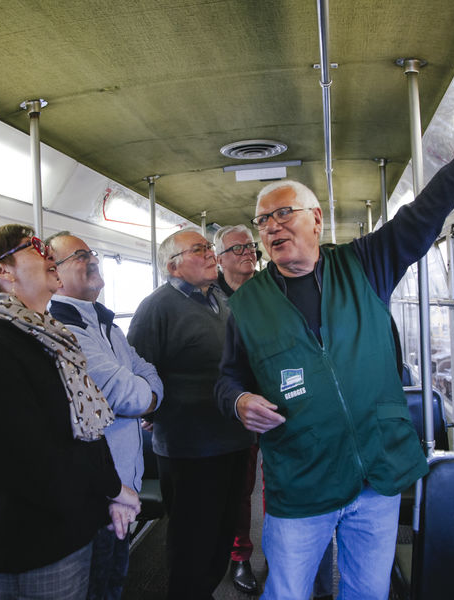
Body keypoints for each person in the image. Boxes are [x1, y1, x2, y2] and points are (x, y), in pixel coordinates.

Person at [215, 83, 454, 599]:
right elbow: (227, 380)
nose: (271, 227)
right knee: (289, 593)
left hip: (376, 480)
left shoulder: (363, 264)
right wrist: (239, 400)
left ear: (316, 220)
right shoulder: (246, 305)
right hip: (303, 482)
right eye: (262, 221)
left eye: (283, 214)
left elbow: (423, 215)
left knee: (367, 592)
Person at [0, 224, 140, 600]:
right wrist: (111, 488)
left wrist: (110, 496)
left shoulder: (51, 337)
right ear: (1, 271)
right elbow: (29, 462)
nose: (49, 256)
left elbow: (87, 431)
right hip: (38, 544)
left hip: (79, 524)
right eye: (36, 247)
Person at [127, 228, 255, 600]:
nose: (210, 253)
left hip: (232, 437)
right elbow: (140, 372)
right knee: (191, 542)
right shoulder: (157, 307)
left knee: (220, 535)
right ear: (174, 265)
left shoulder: (220, 299)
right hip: (190, 448)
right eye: (199, 249)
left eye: (208, 247)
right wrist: (157, 408)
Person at [45, 231, 163, 600]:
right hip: (97, 494)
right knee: (97, 589)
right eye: (79, 255)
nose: (91, 259)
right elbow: (128, 394)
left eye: (91, 251)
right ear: (55, 275)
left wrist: (151, 394)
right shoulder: (67, 331)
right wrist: (148, 396)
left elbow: (147, 373)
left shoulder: (107, 326)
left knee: (114, 585)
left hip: (122, 485)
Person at [213, 224, 261, 594]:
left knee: (281, 484)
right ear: (220, 258)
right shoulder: (209, 299)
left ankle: (282, 550)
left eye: (251, 245)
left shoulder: (272, 290)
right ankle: (239, 556)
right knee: (240, 489)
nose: (248, 251)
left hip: (278, 405)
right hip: (233, 410)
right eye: (238, 247)